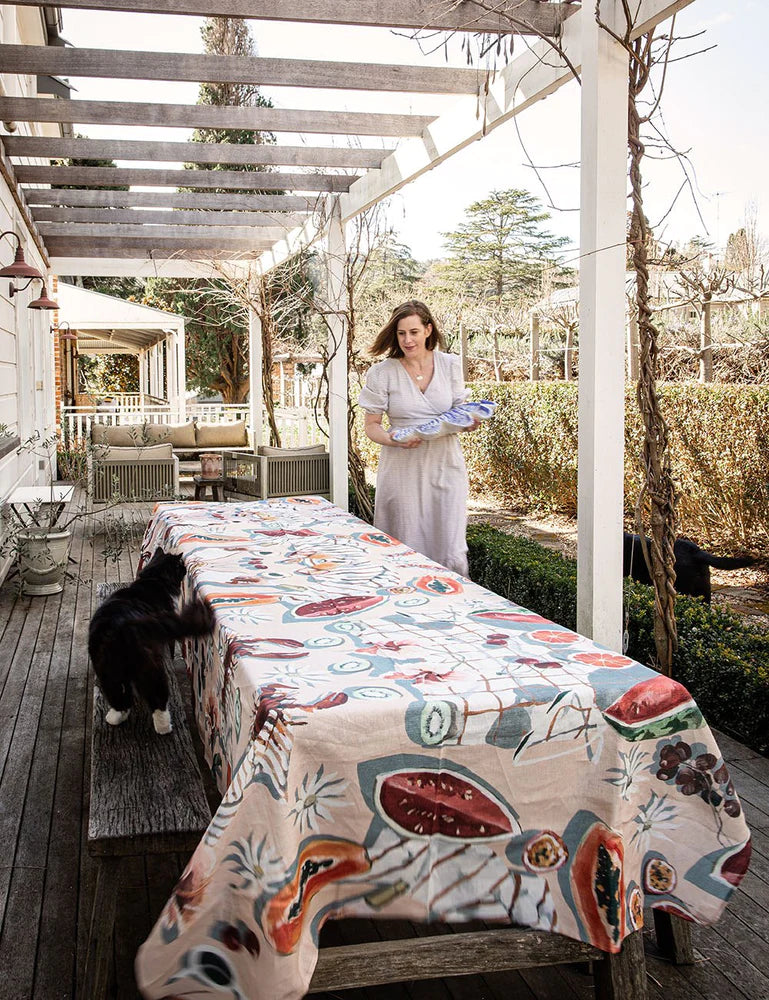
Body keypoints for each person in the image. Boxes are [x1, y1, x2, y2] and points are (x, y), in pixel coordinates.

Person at [358, 300, 479, 577]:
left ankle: (453, 605)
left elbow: (460, 410)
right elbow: (372, 426)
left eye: (413, 332)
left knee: (451, 544)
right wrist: (393, 440)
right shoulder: (382, 372)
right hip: (402, 466)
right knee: (404, 539)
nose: (408, 340)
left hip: (445, 464)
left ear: (428, 329)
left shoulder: (450, 365)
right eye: (401, 333)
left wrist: (468, 422)